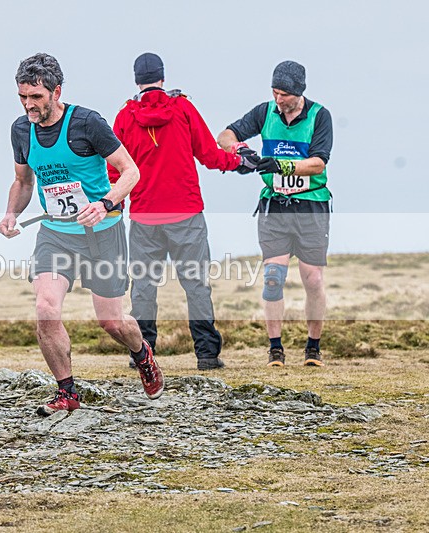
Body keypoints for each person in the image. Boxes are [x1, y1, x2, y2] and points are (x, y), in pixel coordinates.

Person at [0, 53, 164, 416]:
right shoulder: (21, 130)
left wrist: (104, 203)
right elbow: (23, 181)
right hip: (56, 234)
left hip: (102, 233)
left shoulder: (87, 123)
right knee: (45, 307)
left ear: (57, 91)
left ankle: (142, 354)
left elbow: (131, 172)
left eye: (36, 97)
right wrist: (11, 213)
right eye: (23, 97)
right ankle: (66, 391)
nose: (29, 105)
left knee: (112, 322)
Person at [109, 52, 259, 371]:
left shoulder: (124, 117)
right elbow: (208, 153)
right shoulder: (183, 108)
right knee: (196, 284)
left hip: (144, 215)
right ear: (162, 77)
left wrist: (113, 207)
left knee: (144, 286)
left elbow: (114, 170)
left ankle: (143, 353)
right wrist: (237, 163)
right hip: (186, 213)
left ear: (137, 80)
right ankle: (206, 355)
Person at [217, 60, 333, 367]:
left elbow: (319, 163)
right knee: (272, 278)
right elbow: (224, 135)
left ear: (299, 92)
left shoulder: (320, 116)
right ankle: (275, 348)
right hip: (274, 205)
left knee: (313, 280)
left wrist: (280, 165)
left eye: (284, 94)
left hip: (311, 205)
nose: (278, 99)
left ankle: (313, 346)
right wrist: (242, 150)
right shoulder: (264, 112)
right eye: (275, 92)